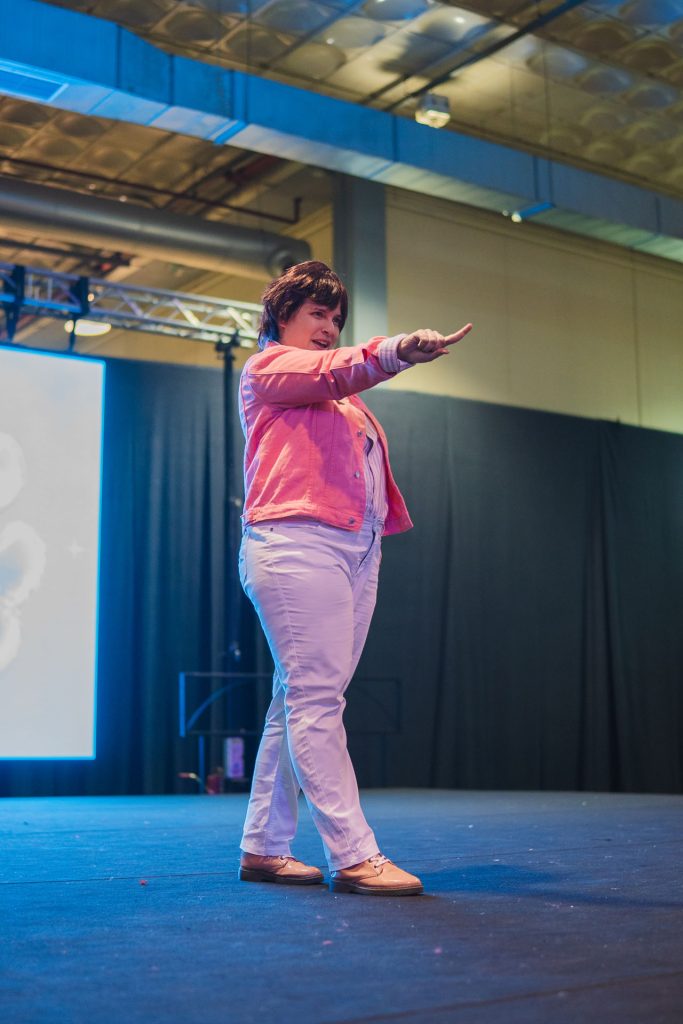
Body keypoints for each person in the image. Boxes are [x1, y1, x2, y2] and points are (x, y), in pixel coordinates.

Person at [237, 261, 472, 896]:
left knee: (299, 699)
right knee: (316, 699)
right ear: (280, 317)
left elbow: (342, 384)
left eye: (336, 318)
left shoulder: (342, 398)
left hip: (354, 548)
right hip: (296, 540)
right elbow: (339, 368)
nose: (329, 327)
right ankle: (355, 854)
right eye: (317, 314)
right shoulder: (268, 368)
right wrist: (396, 350)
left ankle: (263, 846)